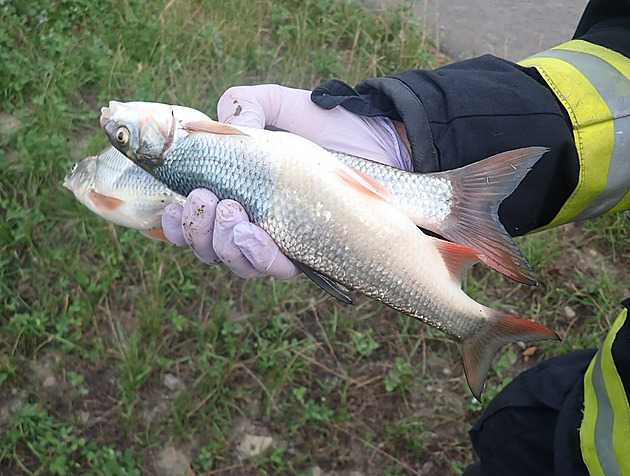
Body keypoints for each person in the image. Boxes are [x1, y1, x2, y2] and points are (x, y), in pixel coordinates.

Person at [162, 0, 630, 474]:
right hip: (588, 414)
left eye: (121, 134)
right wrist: (403, 139)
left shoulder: (189, 139)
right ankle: (474, 322)